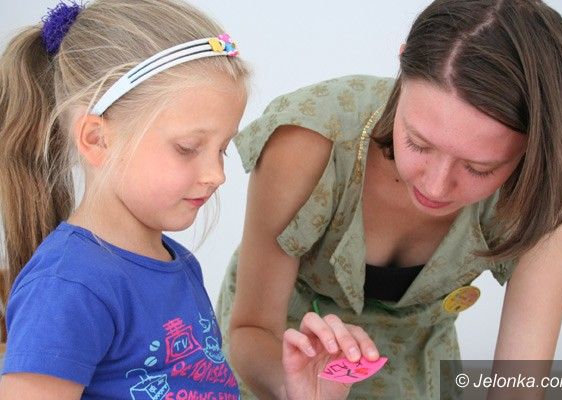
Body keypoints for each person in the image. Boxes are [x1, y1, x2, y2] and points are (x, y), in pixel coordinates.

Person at [216, 0, 562, 398]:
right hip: (278, 364)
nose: (435, 187)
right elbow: (250, 330)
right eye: (418, 143)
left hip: (417, 374)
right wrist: (298, 388)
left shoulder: (555, 197)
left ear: (532, 149)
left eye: (478, 168)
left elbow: (519, 386)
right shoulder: (307, 140)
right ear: (401, 68)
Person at [0, 1, 380, 399]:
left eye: (222, 149)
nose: (217, 174)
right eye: (188, 148)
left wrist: (306, 392)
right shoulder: (67, 286)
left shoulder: (179, 266)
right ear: (97, 140)